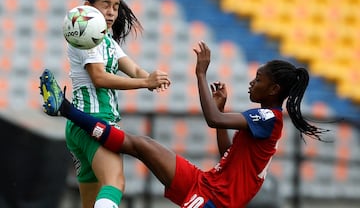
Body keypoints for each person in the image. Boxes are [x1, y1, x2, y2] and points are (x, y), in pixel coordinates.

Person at [40, 41, 328, 207]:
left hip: (217, 202)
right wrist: (222, 111)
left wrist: (201, 75)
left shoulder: (268, 117)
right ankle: (65, 108)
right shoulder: (263, 120)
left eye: (259, 78)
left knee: (139, 145)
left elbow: (211, 119)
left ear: (274, 89)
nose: (252, 82)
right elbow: (227, 153)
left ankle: (65, 109)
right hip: (207, 183)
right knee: (141, 143)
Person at [44, 0, 171, 208]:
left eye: (115, 6)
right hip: (96, 123)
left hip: (79, 125)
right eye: (106, 5)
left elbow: (132, 69)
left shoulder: (107, 41)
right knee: (114, 183)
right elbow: (99, 78)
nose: (112, 12)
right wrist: (144, 82)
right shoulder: (88, 37)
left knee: (91, 201)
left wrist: (151, 79)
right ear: (88, 6)